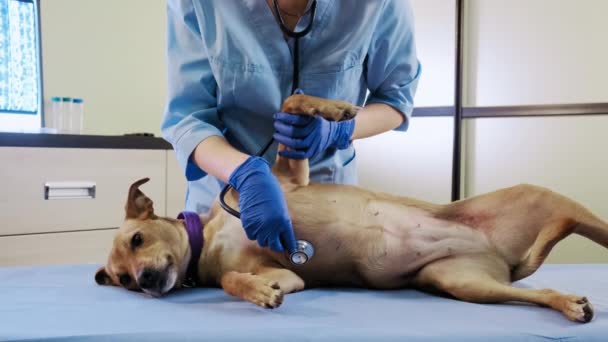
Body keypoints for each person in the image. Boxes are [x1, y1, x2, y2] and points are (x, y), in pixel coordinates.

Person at [162, 0, 421, 255]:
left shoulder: (379, 4)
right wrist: (245, 173)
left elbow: (395, 102)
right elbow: (188, 119)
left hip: (327, 207)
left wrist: (340, 130)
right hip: (225, 204)